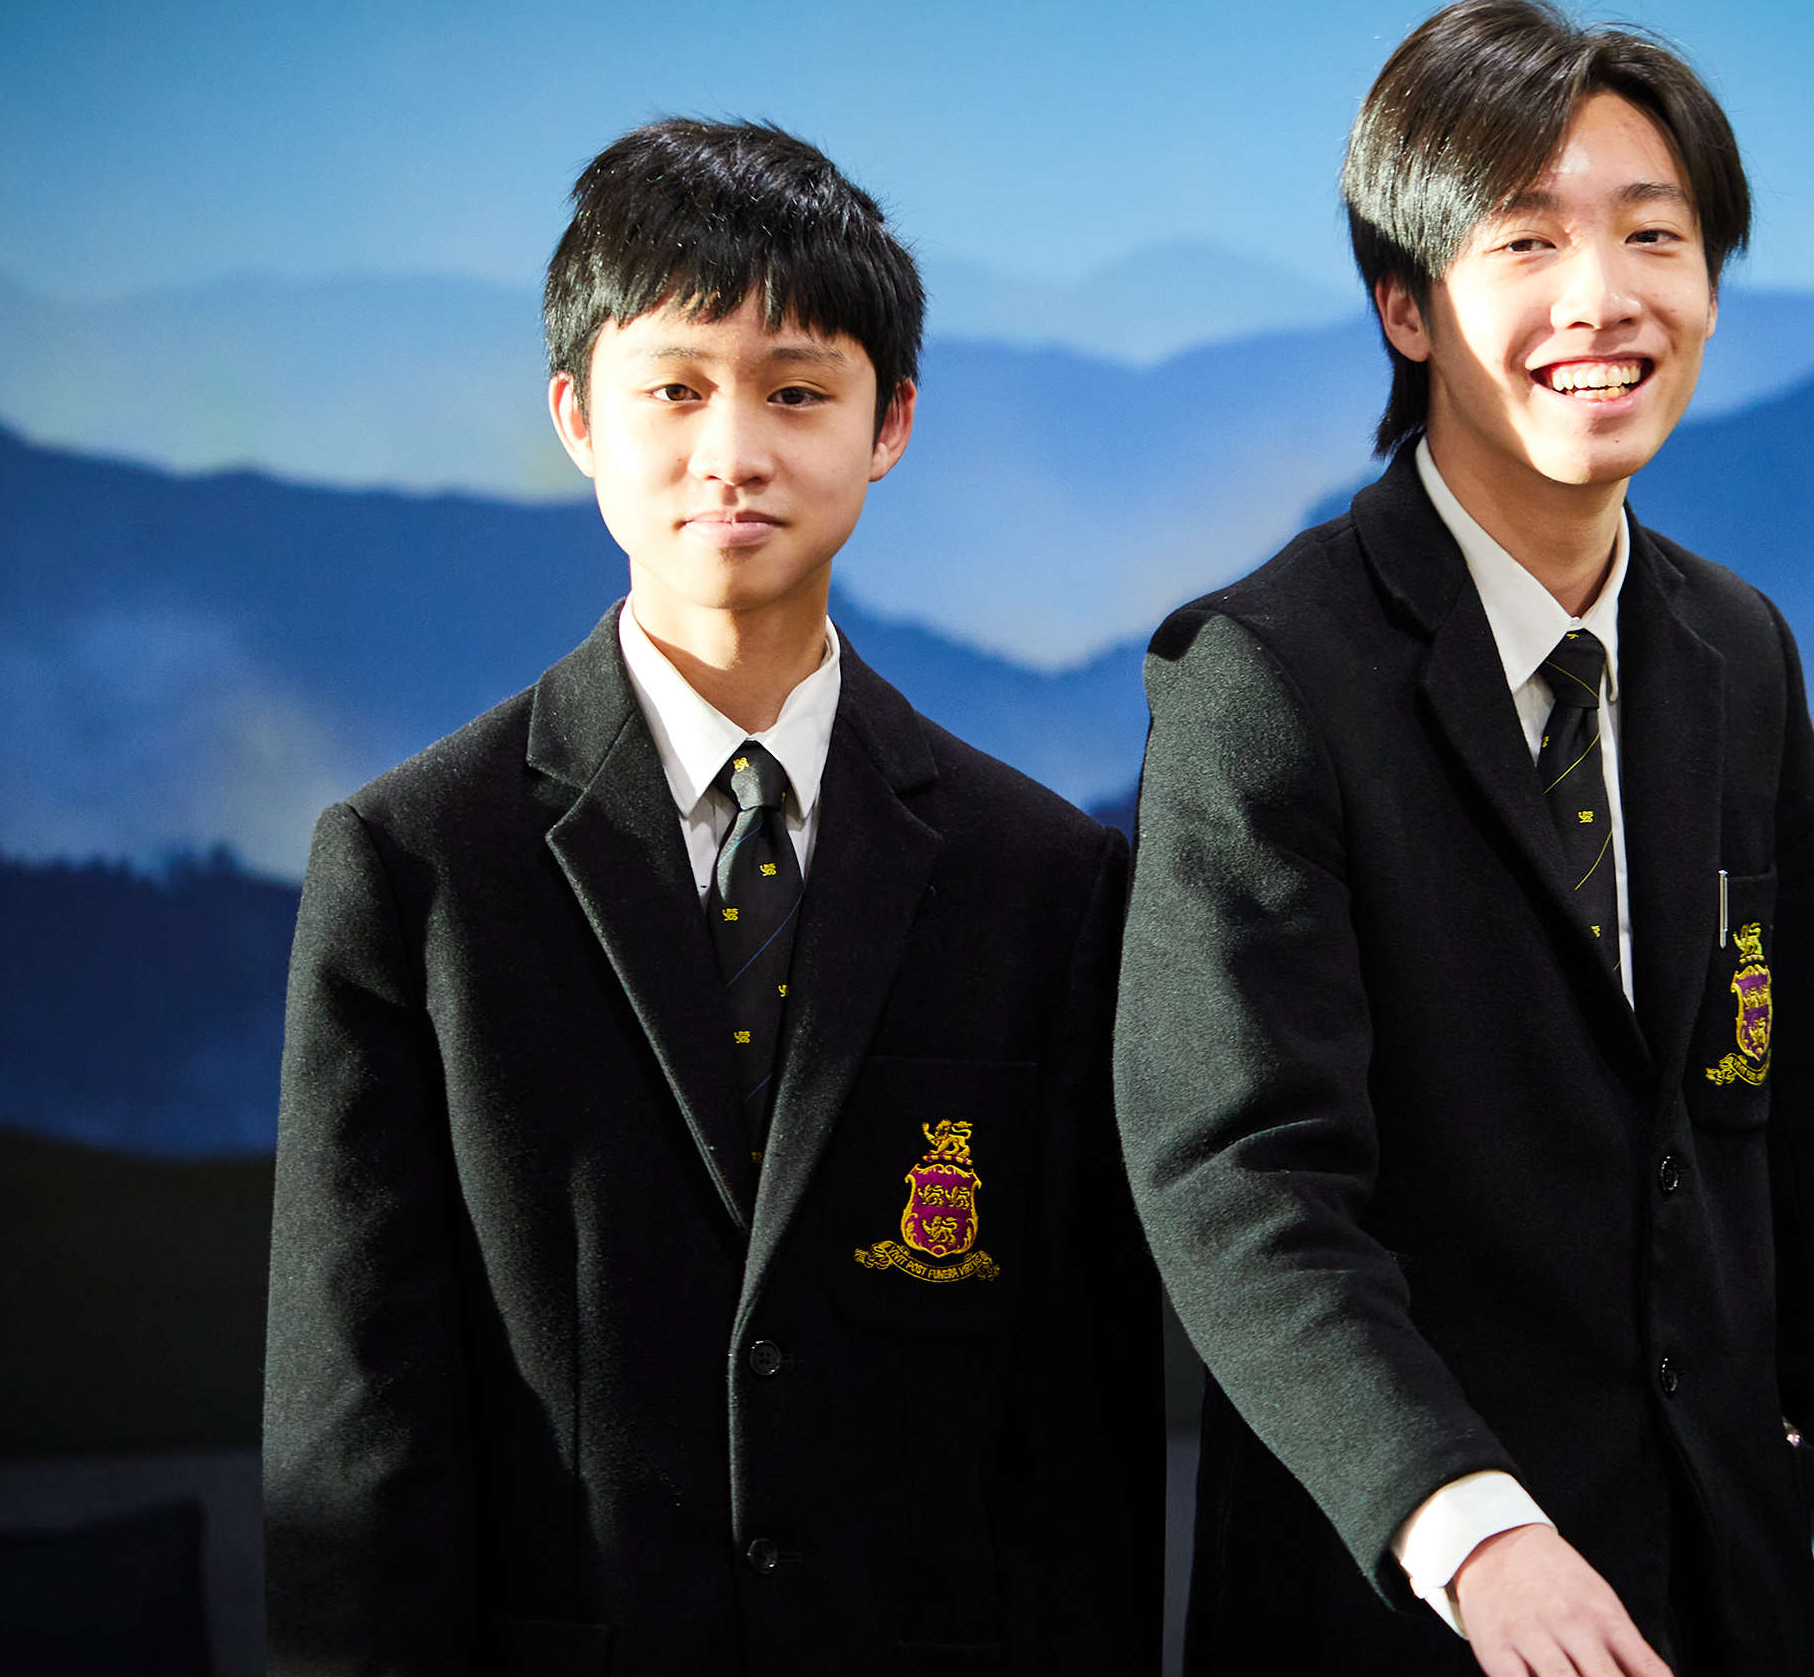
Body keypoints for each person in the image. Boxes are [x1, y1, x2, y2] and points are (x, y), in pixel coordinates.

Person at [1117, 0, 1814, 1677]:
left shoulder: (1737, 653)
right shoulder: (1266, 676)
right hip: (1403, 1613)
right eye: (1525, 242)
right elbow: (1240, 1183)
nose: (1603, 297)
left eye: (1654, 235)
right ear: (1407, 305)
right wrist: (1471, 1521)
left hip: (1717, 1605)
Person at [264, 119, 1158, 1673]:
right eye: (673, 389)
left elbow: (1078, 1436)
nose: (732, 451)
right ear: (575, 416)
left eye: (797, 391)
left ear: (889, 425)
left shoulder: (1048, 882)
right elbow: (358, 1438)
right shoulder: (416, 869)